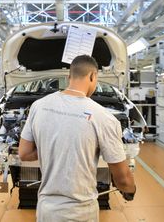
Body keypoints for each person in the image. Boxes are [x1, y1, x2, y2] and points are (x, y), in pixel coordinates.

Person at [19, 55, 136, 222]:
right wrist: (130, 190)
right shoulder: (104, 117)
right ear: (93, 76)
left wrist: (54, 148)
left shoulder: (38, 106)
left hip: (46, 210)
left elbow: (24, 153)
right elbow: (123, 179)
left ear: (69, 77)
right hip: (81, 213)